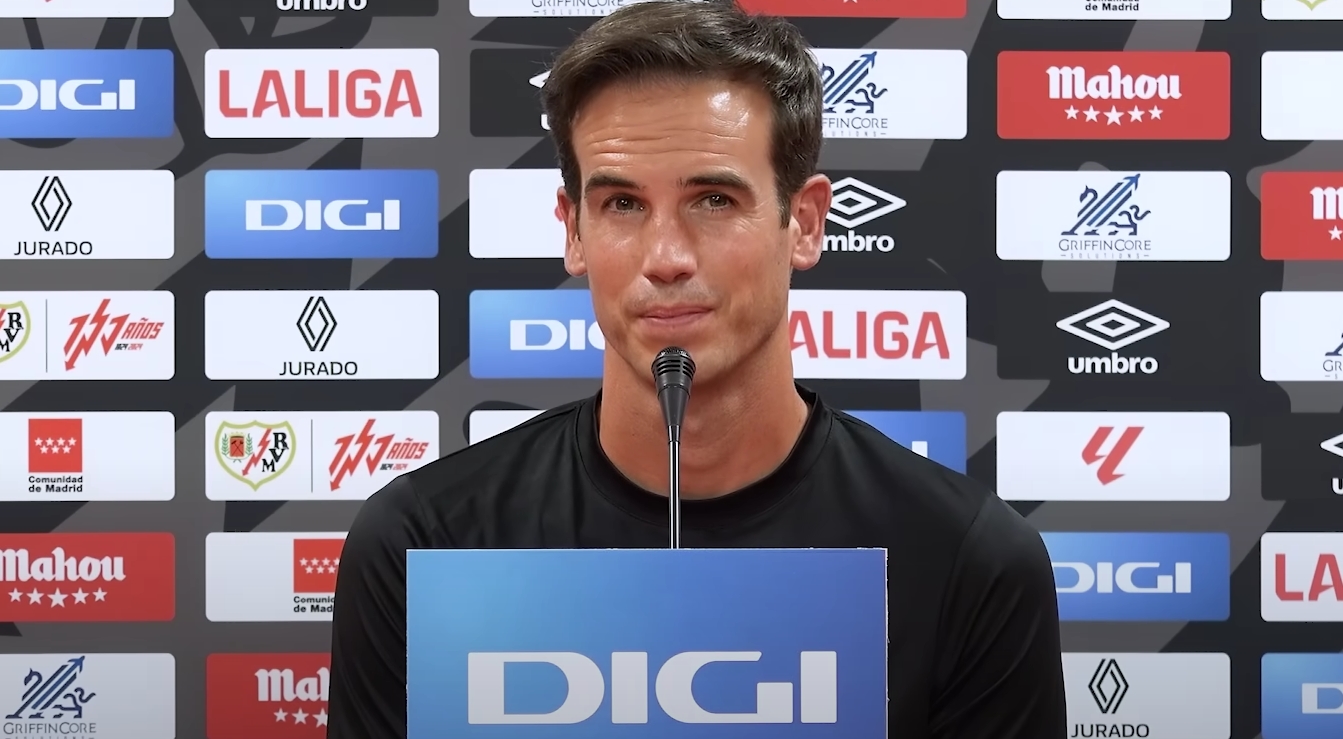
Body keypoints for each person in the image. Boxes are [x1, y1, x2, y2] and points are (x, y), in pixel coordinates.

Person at [325, 1, 1067, 736]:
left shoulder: (966, 561)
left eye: (713, 199)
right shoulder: (425, 543)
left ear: (805, 223)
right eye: (622, 204)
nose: (666, 258)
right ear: (573, 231)